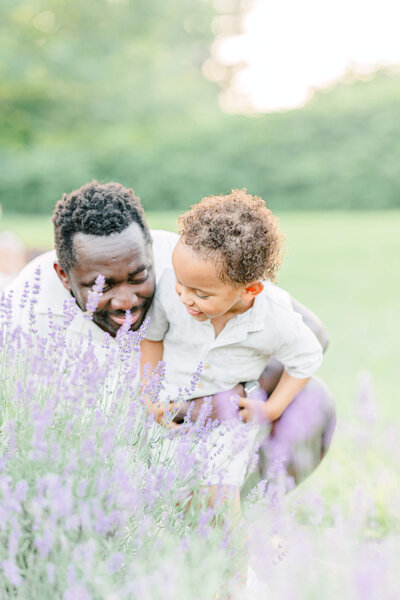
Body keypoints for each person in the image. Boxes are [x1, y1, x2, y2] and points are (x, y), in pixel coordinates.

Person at [2, 180, 335, 487]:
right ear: (63, 275)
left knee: (313, 402)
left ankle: (231, 531)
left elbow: (312, 332)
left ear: (149, 247)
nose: (126, 301)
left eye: (137, 277)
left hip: (197, 440)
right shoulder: (24, 313)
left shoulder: (182, 258)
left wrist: (225, 399)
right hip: (100, 474)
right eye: (99, 285)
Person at [141, 189, 324, 498]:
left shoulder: (274, 316)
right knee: (172, 495)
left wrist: (271, 409)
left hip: (229, 419)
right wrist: (149, 396)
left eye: (201, 294)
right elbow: (152, 337)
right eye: (180, 284)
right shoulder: (173, 293)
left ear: (249, 289)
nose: (185, 297)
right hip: (171, 410)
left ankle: (237, 545)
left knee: (220, 498)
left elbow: (306, 358)